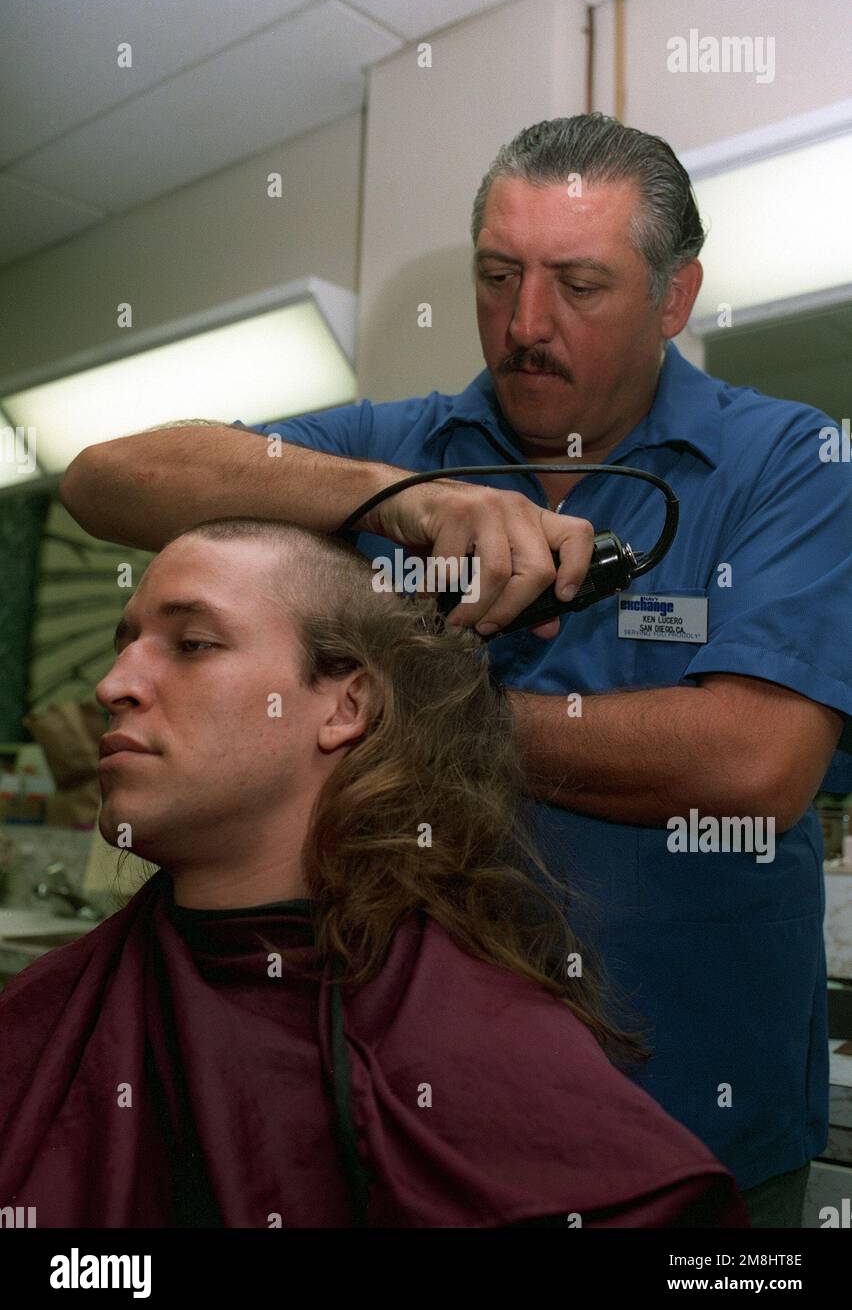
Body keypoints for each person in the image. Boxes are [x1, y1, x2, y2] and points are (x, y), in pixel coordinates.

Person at [58, 113, 852, 1227]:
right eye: (496, 276)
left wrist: (415, 723)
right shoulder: (406, 443)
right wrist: (397, 499)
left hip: (705, 1127)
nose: (524, 325)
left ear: (675, 299)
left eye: (579, 284)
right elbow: (108, 479)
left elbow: (755, 760)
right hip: (423, 1126)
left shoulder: (788, 462)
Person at [0, 520, 748, 1228]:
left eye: (192, 643)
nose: (113, 684)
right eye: (124, 642)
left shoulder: (463, 1044)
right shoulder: (49, 1008)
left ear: (348, 703)